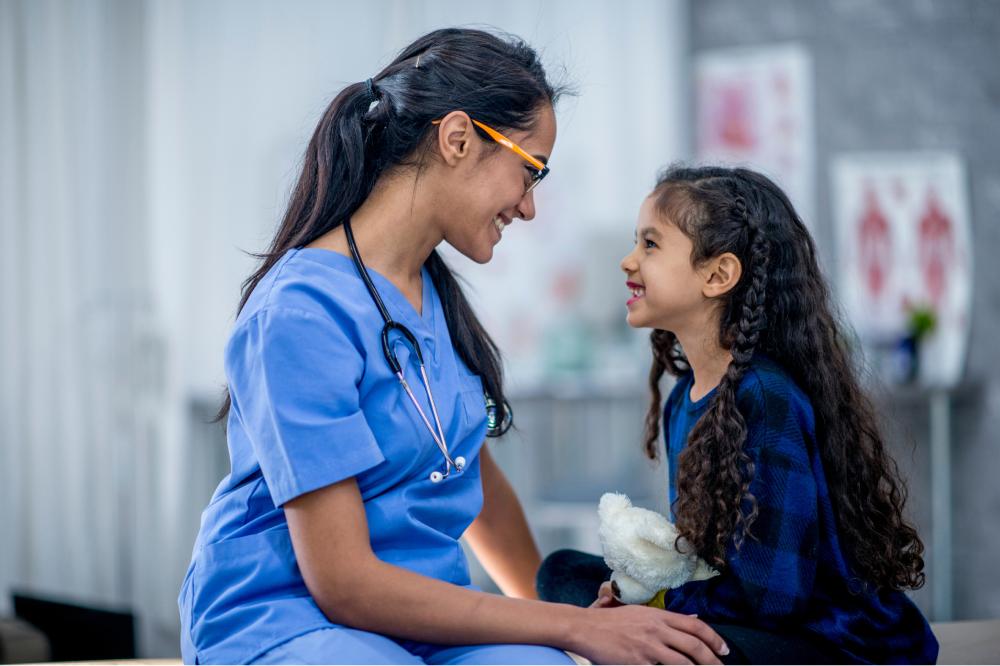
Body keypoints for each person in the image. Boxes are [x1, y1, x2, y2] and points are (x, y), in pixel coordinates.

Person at [178, 29, 730, 665]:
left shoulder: (435, 300)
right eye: (529, 172)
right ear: (458, 138)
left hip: (423, 618)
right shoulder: (300, 313)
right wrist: (569, 627)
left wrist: (582, 634)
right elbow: (344, 584)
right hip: (290, 616)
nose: (528, 207)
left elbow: (474, 483)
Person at [537, 165, 940, 664]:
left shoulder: (765, 398)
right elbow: (702, 561)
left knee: (674, 645)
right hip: (743, 612)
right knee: (559, 573)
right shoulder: (685, 397)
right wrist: (628, 598)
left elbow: (776, 599)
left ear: (718, 275)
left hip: (824, 641)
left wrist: (651, 606)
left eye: (650, 245)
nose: (628, 261)